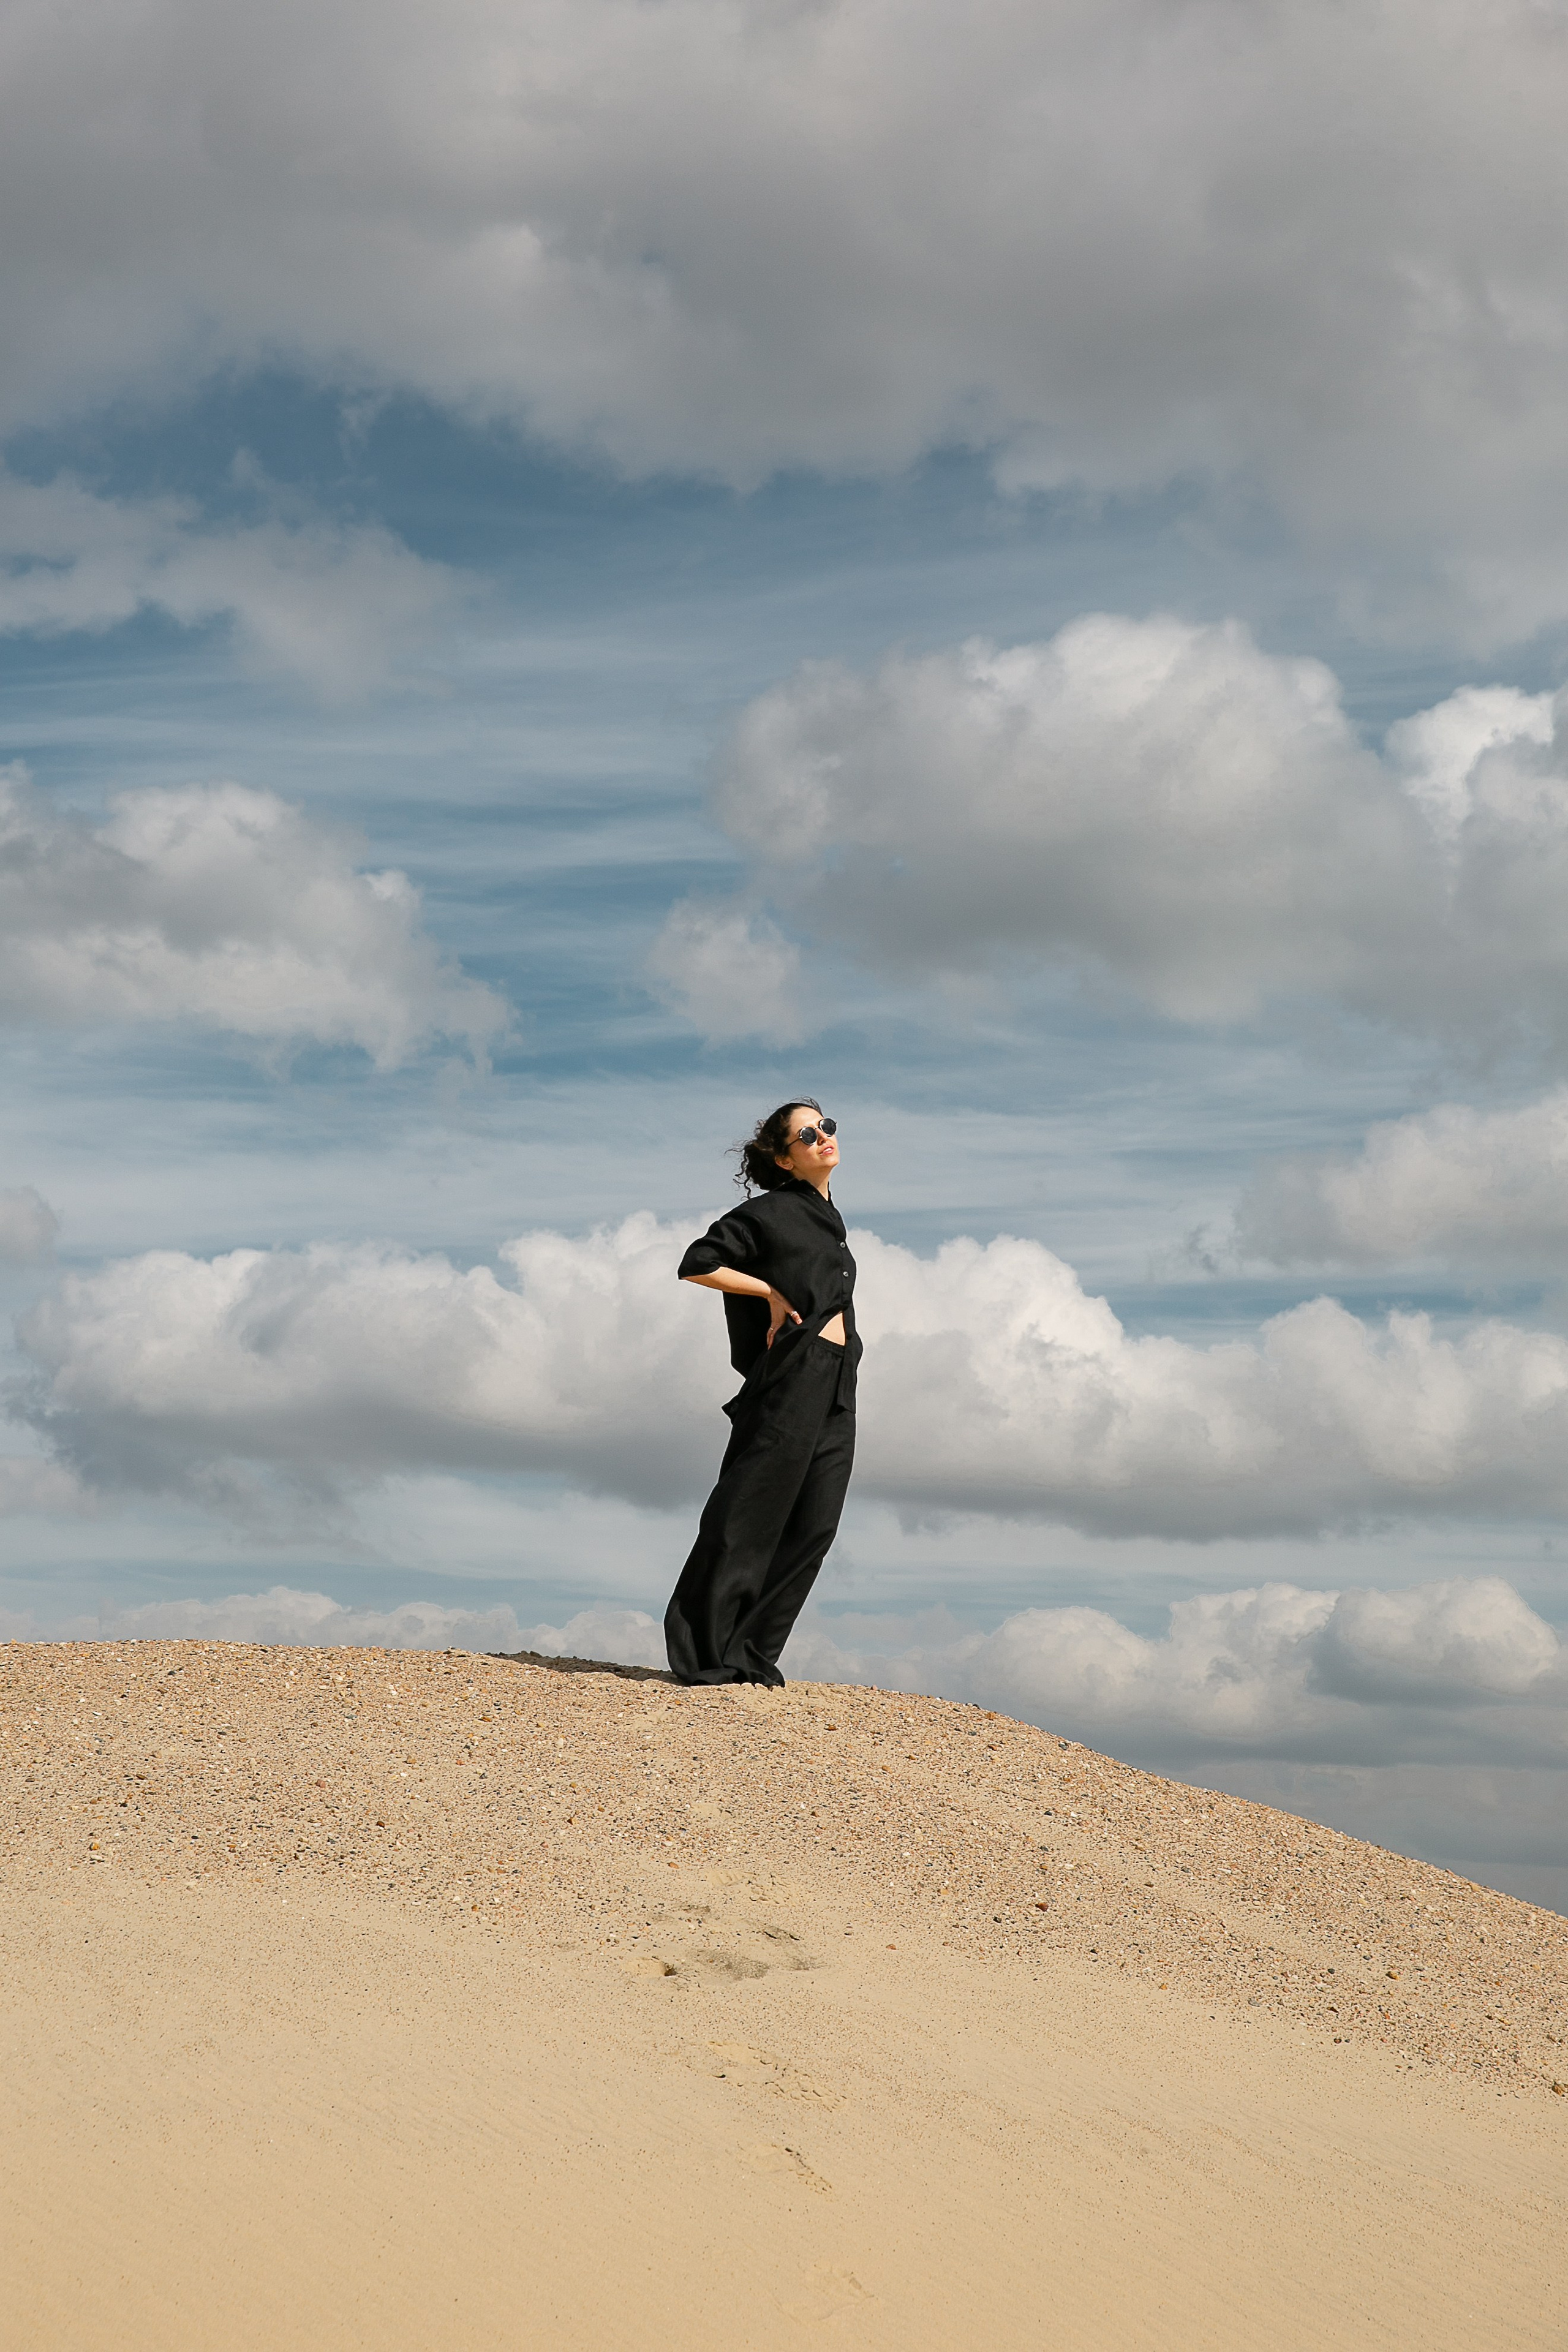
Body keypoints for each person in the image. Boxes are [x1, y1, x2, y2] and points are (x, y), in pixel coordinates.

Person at [664, 1099, 861, 1686]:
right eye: (807, 1133)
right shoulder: (772, 1213)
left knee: (815, 1523)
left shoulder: (830, 1220)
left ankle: (750, 1653)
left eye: (827, 1125)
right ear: (785, 1158)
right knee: (749, 1508)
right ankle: (704, 1653)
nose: (823, 1135)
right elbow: (698, 1263)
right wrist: (768, 1293)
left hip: (838, 1380)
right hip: (792, 1377)